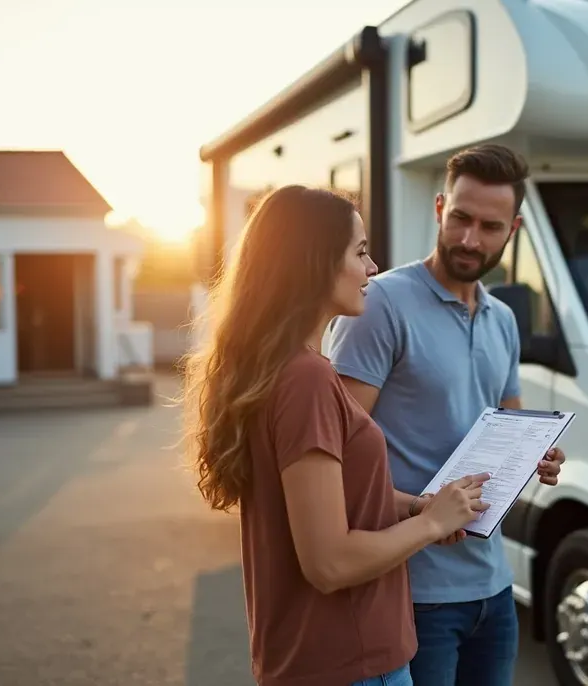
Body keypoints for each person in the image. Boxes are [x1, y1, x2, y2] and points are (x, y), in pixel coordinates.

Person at [181, 184, 491, 686]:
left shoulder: (278, 370)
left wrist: (418, 507)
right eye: (361, 252)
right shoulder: (306, 380)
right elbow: (328, 562)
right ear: (314, 262)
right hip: (353, 663)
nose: (373, 269)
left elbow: (330, 501)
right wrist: (431, 527)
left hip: (316, 660)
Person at [327, 144, 567, 686]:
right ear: (439, 208)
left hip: (494, 588)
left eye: (489, 226)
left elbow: (510, 423)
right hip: (412, 591)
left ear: (514, 229)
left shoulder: (504, 319)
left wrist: (539, 455)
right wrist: (420, 512)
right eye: (460, 218)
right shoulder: (381, 304)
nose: (469, 238)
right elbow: (335, 459)